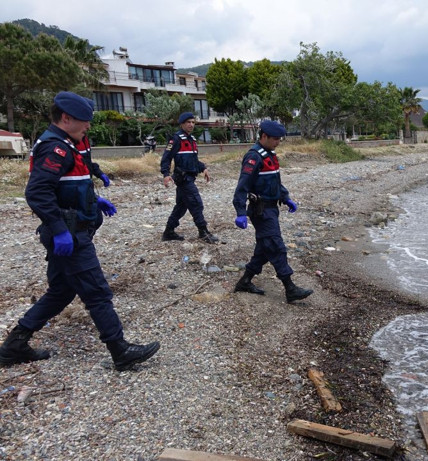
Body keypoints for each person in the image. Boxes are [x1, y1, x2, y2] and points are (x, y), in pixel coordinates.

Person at [0, 91, 160, 371]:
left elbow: (68, 186)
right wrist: (59, 229)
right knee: (97, 292)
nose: (88, 126)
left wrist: (93, 200)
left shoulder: (69, 143)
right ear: (66, 118)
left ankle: (14, 344)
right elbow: (37, 192)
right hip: (70, 236)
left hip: (73, 229)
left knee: (61, 291)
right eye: (84, 121)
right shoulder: (55, 148)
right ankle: (119, 350)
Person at [232, 120, 313, 303]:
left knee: (264, 249)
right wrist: (240, 212)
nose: (278, 142)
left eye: (279, 139)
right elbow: (242, 187)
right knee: (276, 246)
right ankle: (290, 288)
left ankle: (245, 281)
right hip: (261, 211)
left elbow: (275, 181)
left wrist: (286, 198)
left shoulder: (270, 155)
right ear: (264, 136)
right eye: (275, 139)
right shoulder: (254, 157)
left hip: (272, 209)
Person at [159, 112, 218, 243]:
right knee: (196, 203)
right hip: (183, 179)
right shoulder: (176, 139)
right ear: (182, 124)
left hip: (190, 177)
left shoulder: (191, 140)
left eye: (193, 122)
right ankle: (203, 231)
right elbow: (166, 158)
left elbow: (193, 160)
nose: (191, 125)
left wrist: (203, 168)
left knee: (181, 206)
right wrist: (166, 174)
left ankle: (168, 232)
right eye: (188, 122)